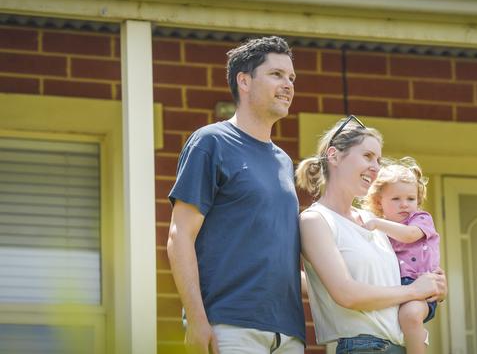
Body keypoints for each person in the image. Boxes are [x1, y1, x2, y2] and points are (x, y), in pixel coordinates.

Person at [166, 36, 305, 354]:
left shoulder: (283, 161)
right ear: (244, 80)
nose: (288, 85)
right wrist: (198, 322)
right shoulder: (210, 142)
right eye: (276, 75)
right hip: (229, 327)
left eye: (291, 77)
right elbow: (180, 236)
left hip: (288, 334)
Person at [295, 115, 447, 354]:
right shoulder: (316, 220)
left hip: (399, 346)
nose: (376, 167)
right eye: (367, 156)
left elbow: (399, 275)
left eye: (378, 159)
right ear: (334, 156)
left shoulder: (374, 221)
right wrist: (413, 290)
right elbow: (347, 294)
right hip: (361, 347)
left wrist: (434, 286)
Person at [362, 157, 440, 354]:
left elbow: (409, 235)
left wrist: (378, 224)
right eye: (396, 199)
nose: (404, 205)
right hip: (394, 288)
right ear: (380, 202)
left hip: (421, 286)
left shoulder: (420, 219)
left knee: (411, 315)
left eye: (411, 199)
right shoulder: (382, 229)